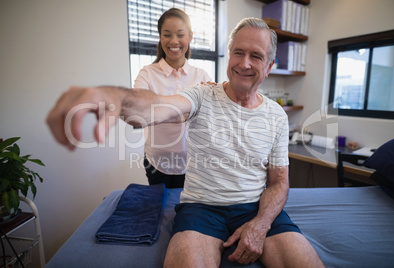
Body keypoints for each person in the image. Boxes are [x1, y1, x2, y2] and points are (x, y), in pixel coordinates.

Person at [47, 17, 324, 267]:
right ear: (229, 56)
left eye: (256, 56)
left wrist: (261, 224)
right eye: (238, 52)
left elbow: (278, 182)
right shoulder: (202, 95)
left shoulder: (276, 115)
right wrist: (117, 99)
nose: (244, 63)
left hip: (255, 208)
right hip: (201, 209)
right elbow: (157, 107)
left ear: (270, 66)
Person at [134, 8, 211, 188]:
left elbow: (210, 114)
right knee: (160, 211)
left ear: (190, 37)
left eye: (180, 34)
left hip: (193, 165)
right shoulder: (147, 74)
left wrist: (159, 109)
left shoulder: (202, 76)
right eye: (167, 35)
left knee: (186, 213)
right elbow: (138, 112)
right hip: (156, 163)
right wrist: (185, 113)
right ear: (160, 37)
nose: (174, 41)